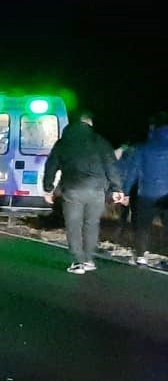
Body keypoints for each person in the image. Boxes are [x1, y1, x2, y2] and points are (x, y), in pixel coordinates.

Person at [43, 110, 124, 274]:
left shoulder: (63, 142)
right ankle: (88, 259)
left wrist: (48, 188)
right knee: (92, 224)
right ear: (90, 123)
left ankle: (78, 261)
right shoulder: (100, 141)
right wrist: (117, 188)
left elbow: (51, 166)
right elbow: (111, 166)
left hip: (73, 189)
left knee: (73, 225)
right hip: (96, 190)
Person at [120, 111, 168, 265]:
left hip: (147, 194)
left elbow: (133, 172)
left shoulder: (143, 148)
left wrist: (125, 192)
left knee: (143, 226)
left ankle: (141, 256)